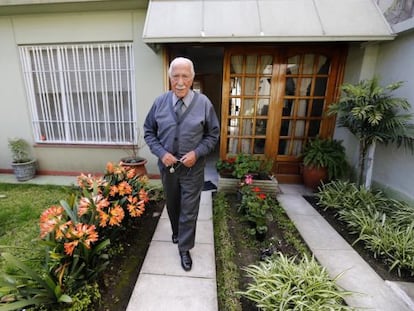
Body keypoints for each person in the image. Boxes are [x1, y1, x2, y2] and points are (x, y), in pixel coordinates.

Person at [143, 57, 220, 271]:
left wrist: (197, 152)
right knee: (173, 203)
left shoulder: (203, 103)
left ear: (192, 78)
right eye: (175, 76)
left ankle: (184, 248)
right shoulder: (159, 102)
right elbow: (149, 131)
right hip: (168, 167)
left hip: (193, 168)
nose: (180, 81)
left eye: (185, 76)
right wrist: (161, 153)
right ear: (170, 78)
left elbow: (213, 135)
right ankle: (176, 231)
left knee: (189, 209)